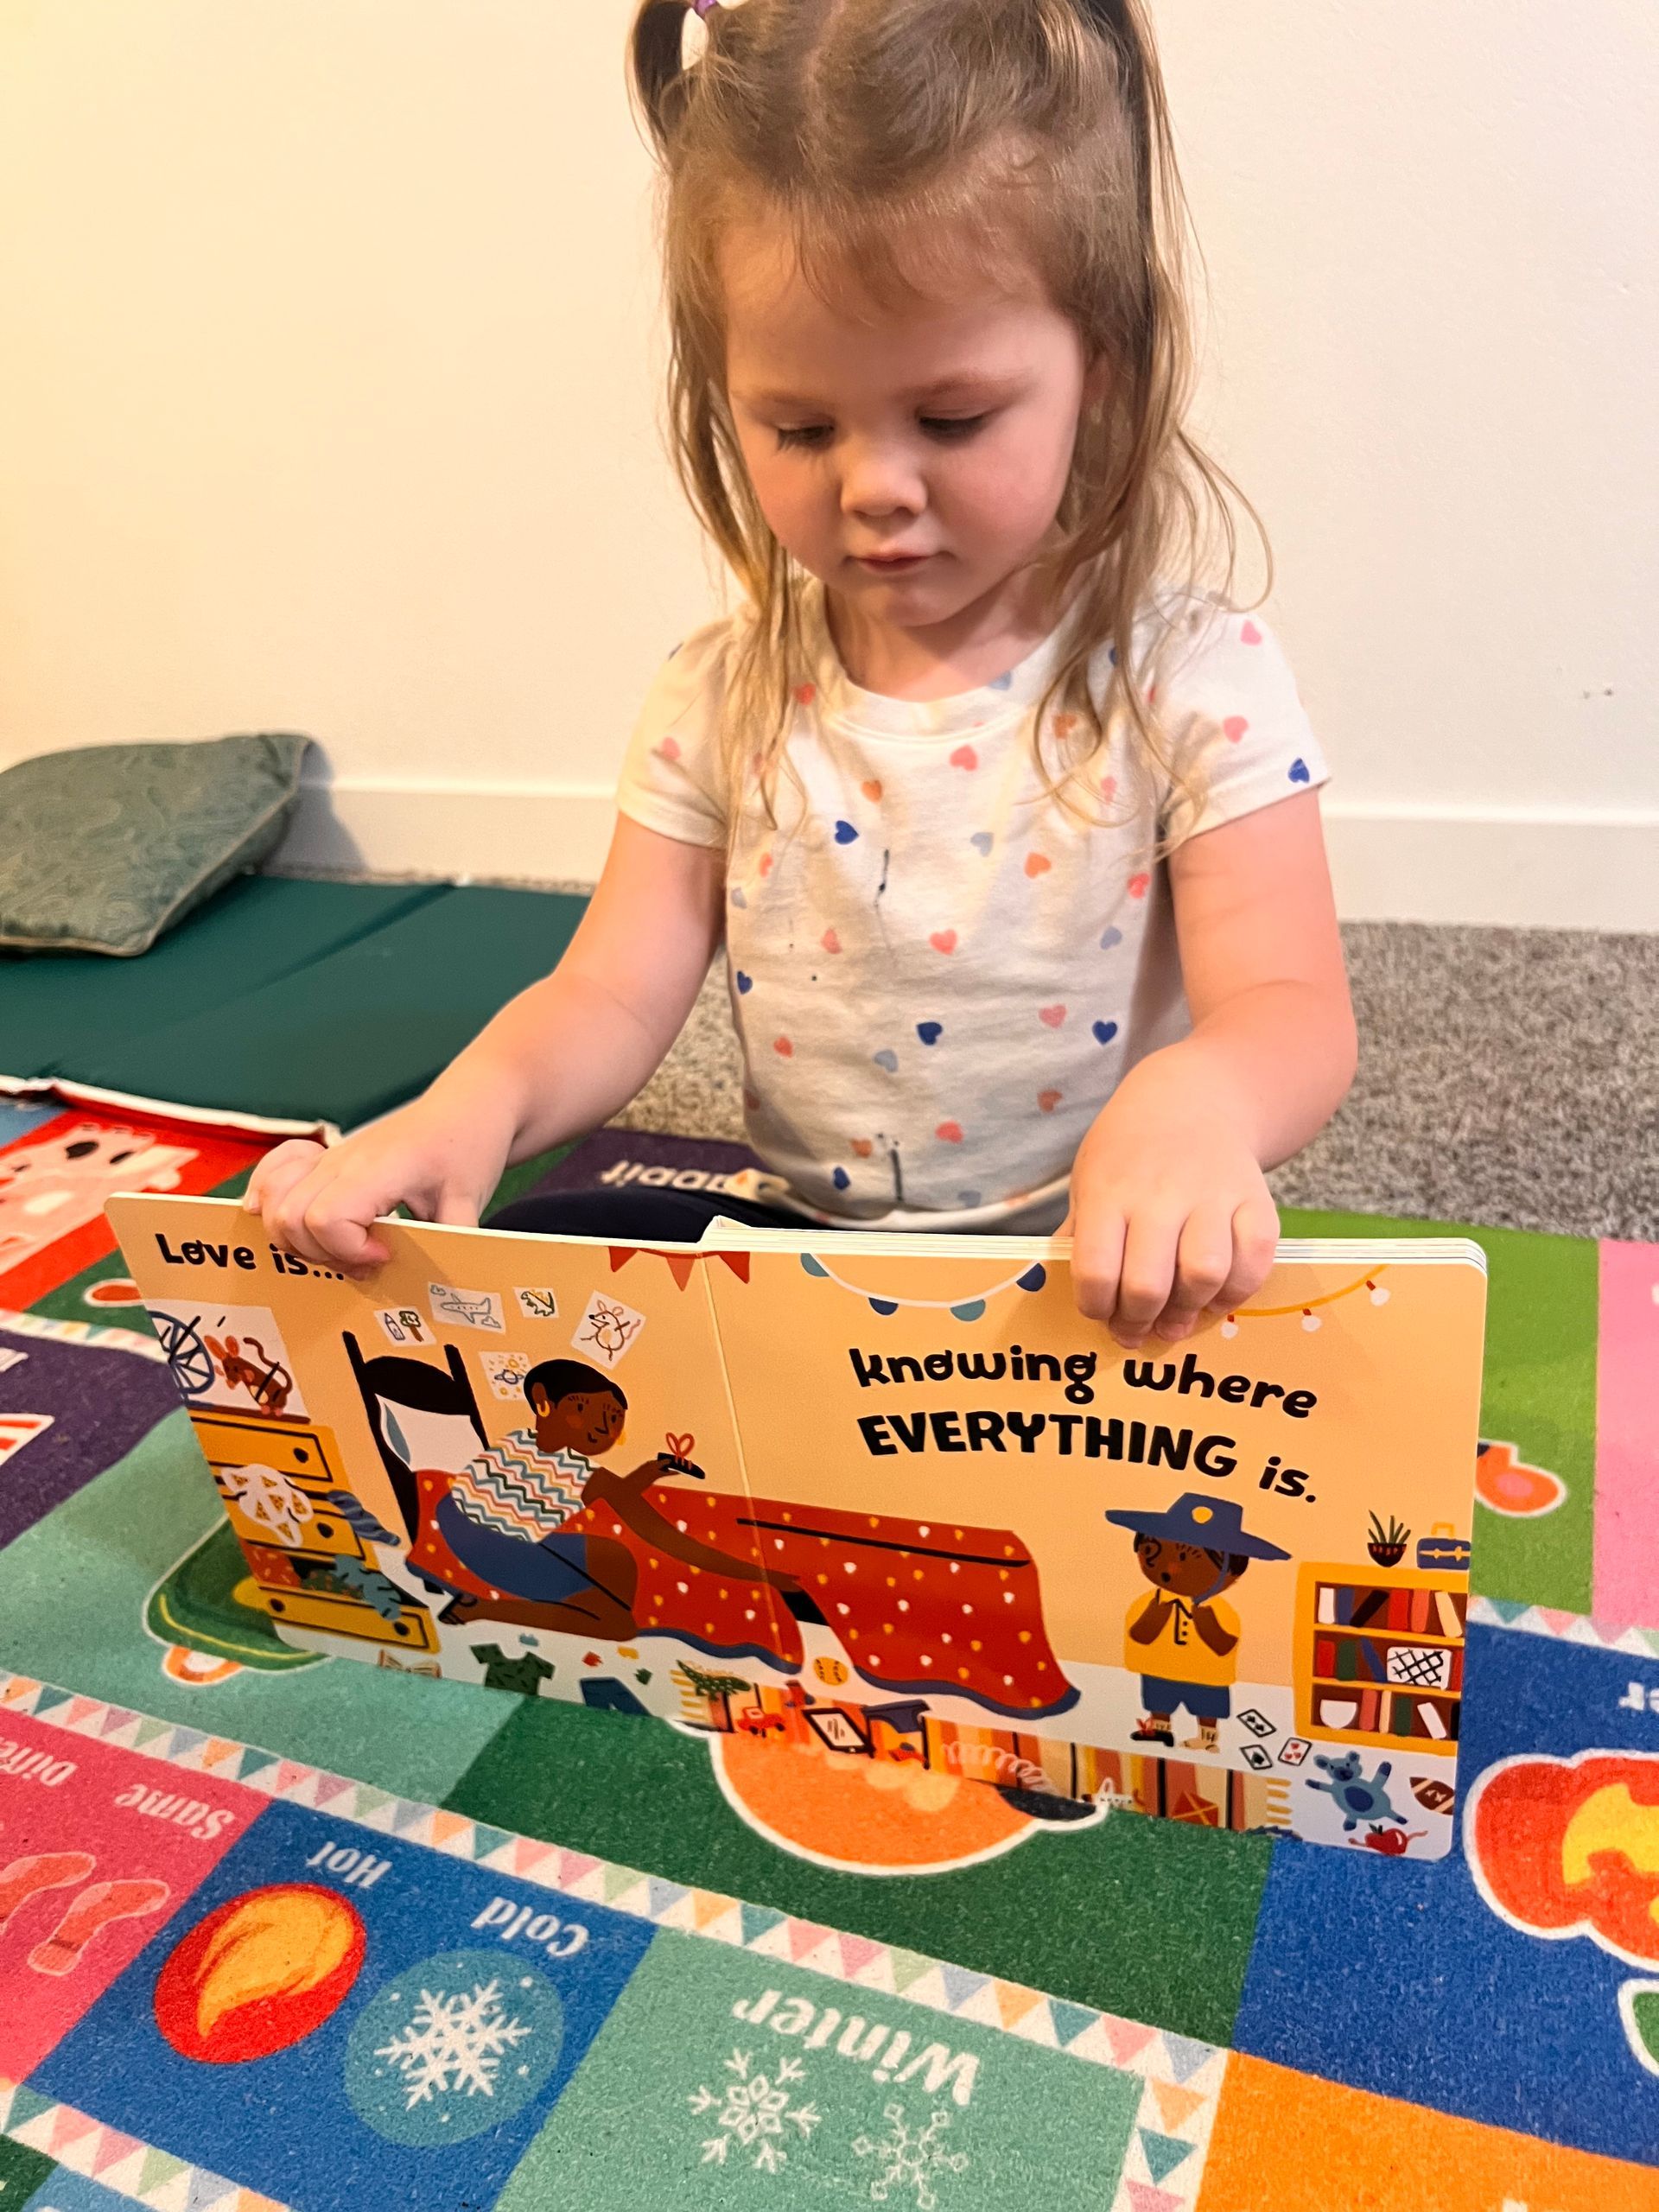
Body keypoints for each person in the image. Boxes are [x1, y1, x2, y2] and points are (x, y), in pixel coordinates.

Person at [249, 0, 1356, 1351]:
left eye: (952, 419)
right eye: (799, 424)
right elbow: (609, 992)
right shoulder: (717, 695)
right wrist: (465, 1106)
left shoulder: (1195, 678)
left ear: (1099, 373)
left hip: (1110, 1285)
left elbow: (1290, 1010)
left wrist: (1201, 1110)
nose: (875, 487)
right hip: (805, 1274)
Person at [426, 1357, 798, 1637]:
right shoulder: (584, 1474)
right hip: (497, 1550)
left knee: (613, 1557)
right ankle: (486, 1611)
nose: (604, 1427)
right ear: (543, 1401)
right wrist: (761, 1575)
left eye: (615, 1418)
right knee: (618, 1625)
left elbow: (567, 1493)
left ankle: (496, 1603)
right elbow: (668, 1539)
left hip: (455, 1523)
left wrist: (650, 1472)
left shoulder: (519, 1441)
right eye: (588, 1410)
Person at [1104, 1491, 1290, 1754]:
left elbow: (1224, 1645)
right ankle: (1159, 1730)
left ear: (1231, 1572)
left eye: (1189, 1559)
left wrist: (1207, 1624)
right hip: (1159, 1669)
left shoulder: (1220, 1610)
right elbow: (1140, 1635)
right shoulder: (1151, 1601)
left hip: (1206, 1676)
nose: (1172, 1569)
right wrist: (1157, 1614)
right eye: (1154, 1550)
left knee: (1207, 1708)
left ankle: (1207, 1738)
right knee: (1159, 1701)